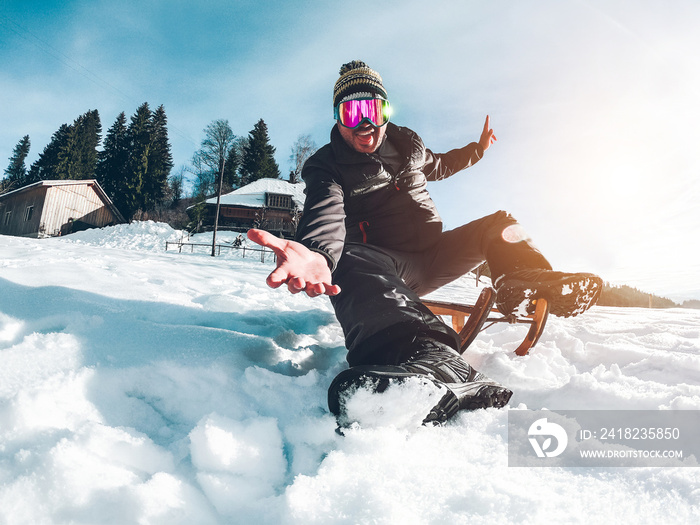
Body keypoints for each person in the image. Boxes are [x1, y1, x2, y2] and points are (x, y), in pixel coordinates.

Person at [248, 60, 602, 426]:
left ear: (385, 111)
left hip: (436, 254)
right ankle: (429, 355)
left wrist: (477, 150)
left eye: (372, 110)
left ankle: (524, 278)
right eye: (351, 113)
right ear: (337, 117)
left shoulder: (410, 149)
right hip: (385, 266)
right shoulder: (327, 166)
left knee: (500, 224)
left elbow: (445, 164)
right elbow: (326, 210)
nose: (364, 124)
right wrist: (319, 252)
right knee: (348, 256)